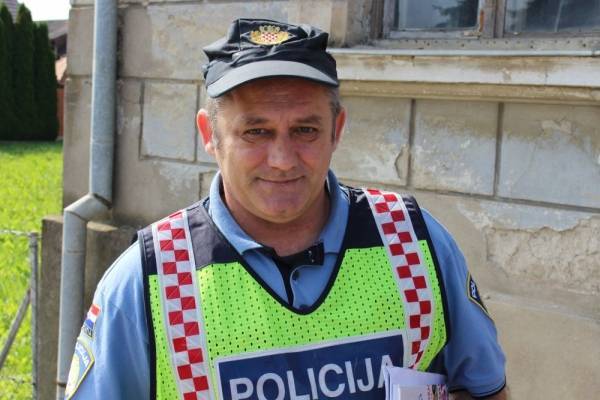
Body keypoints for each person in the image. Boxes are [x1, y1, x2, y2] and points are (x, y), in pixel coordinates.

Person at [64, 18, 507, 400]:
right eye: (255, 132)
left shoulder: (413, 243)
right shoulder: (151, 279)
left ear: (336, 130)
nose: (282, 160)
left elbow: (485, 389)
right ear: (210, 135)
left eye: (305, 130)